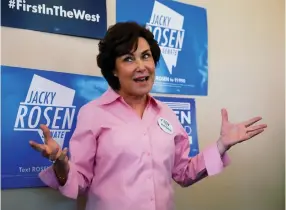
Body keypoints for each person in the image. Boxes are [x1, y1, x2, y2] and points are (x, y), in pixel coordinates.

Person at [29, 22, 267, 210]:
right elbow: (79, 182)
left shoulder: (167, 115)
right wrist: (60, 163)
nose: (141, 66)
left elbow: (183, 173)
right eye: (128, 59)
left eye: (146, 56)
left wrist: (221, 145)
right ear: (113, 69)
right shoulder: (93, 114)